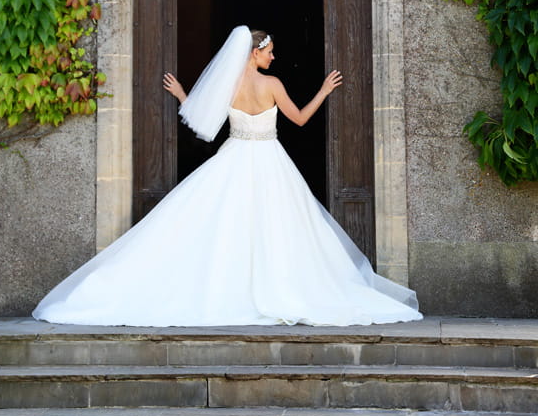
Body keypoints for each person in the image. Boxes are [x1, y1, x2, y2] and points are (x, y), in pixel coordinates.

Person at [33, 26, 422, 326]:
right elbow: (301, 119)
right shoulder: (272, 85)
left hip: (234, 156)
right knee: (276, 228)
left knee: (221, 225)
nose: (274, 55)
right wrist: (322, 90)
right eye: (270, 50)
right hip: (270, 160)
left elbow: (206, 122)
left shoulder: (229, 85)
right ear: (256, 52)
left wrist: (184, 94)